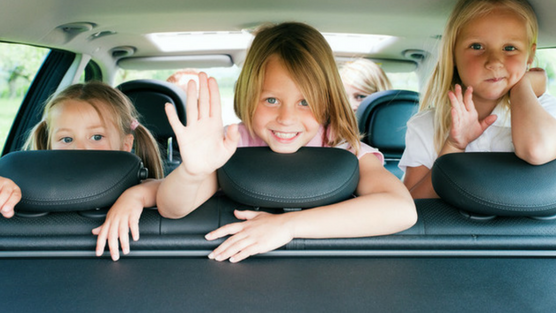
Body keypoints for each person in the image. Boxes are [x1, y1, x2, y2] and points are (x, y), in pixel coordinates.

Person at [157, 22, 417, 263]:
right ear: (248, 95)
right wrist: (192, 173)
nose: (286, 118)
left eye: (305, 102)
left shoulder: (344, 147)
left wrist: (287, 225)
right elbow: (172, 210)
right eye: (271, 100)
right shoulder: (230, 144)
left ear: (326, 101)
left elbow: (402, 209)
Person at [400, 0, 556, 199]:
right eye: (476, 46)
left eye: (510, 48)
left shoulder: (547, 111)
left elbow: (536, 150)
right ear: (453, 54)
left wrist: (522, 87)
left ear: (530, 56)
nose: (494, 62)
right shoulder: (428, 125)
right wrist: (454, 146)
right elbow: (412, 205)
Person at [0, 81, 164, 261]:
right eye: (66, 139)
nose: (79, 149)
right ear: (49, 145)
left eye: (96, 137)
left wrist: (136, 196)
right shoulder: (25, 188)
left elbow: (162, 188)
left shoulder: (135, 187)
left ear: (126, 144)